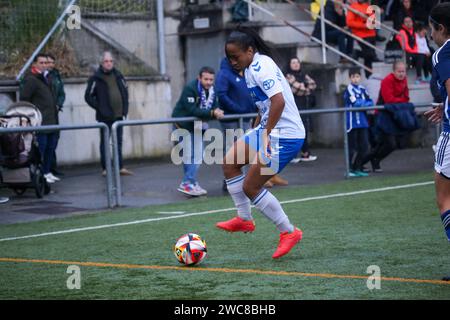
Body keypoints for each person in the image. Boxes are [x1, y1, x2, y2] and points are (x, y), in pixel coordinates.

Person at [216, 28, 305, 259]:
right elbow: (265, 106)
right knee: (230, 163)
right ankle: (244, 219)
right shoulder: (249, 68)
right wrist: (256, 129)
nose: (233, 62)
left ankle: (289, 231)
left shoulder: (260, 66)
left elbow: (278, 102)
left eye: (236, 56)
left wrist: (263, 136)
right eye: (229, 58)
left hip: (286, 136)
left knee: (251, 186)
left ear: (250, 51)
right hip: (269, 130)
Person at [215, 57, 288, 189]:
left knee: (255, 146)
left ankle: (263, 176)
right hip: (231, 118)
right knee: (234, 150)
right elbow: (222, 95)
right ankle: (231, 181)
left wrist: (253, 109)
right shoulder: (225, 74)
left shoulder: (245, 72)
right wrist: (238, 109)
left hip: (246, 116)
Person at [424, 2, 450, 282]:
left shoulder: (443, 53)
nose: (430, 34)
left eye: (431, 28)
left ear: (441, 28)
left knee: (444, 198)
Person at [171, 66, 224, 196]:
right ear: (199, 78)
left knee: (196, 156)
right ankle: (188, 183)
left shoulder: (213, 90)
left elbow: (215, 106)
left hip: (197, 126)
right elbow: (192, 111)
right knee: (192, 156)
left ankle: (190, 183)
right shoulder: (190, 88)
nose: (209, 82)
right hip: (182, 125)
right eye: (206, 79)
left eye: (211, 79)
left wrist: (217, 111)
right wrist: (213, 113)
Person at [85, 51, 133, 177]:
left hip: (118, 116)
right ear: (102, 63)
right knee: (105, 143)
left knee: (118, 142)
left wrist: (125, 109)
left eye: (111, 61)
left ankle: (120, 167)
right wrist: (100, 108)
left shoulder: (118, 75)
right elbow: (88, 96)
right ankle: (106, 168)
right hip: (104, 117)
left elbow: (125, 91)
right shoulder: (96, 78)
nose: (109, 63)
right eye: (106, 61)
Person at [362, 61, 416, 172]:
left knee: (388, 144)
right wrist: (400, 102)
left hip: (394, 114)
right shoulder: (387, 80)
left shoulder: (404, 80)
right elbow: (389, 100)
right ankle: (359, 164)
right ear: (393, 71)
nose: (401, 74)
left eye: (403, 71)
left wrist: (399, 102)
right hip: (382, 115)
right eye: (399, 71)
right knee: (388, 143)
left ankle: (371, 162)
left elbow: (406, 98)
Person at [20, 53, 60, 184]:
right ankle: (41, 174)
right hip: (40, 122)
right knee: (41, 150)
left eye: (46, 63)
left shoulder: (47, 77)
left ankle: (47, 172)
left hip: (52, 120)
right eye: (41, 63)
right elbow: (24, 99)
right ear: (35, 64)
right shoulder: (31, 79)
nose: (44, 65)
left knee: (50, 148)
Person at [284, 57, 318, 162]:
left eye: (297, 62)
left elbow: (313, 84)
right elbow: (297, 89)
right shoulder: (287, 76)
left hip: (304, 106)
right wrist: (305, 87)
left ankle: (305, 153)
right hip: (293, 108)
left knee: (304, 130)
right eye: (293, 62)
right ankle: (292, 155)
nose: (295, 64)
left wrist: (304, 87)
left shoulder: (304, 74)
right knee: (293, 131)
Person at [343, 68, 373, 177]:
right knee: (352, 148)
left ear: (360, 77)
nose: (355, 79)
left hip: (363, 122)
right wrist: (363, 103)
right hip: (352, 123)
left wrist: (362, 103)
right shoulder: (349, 89)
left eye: (357, 77)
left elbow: (371, 102)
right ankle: (349, 169)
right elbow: (355, 103)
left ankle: (357, 167)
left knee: (365, 147)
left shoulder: (362, 89)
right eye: (353, 77)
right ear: (350, 78)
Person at [346, 0, 378, 78]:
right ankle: (357, 53)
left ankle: (369, 77)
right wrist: (364, 25)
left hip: (371, 34)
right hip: (360, 35)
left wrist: (368, 24)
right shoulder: (353, 6)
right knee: (369, 55)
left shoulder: (369, 6)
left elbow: (373, 22)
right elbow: (349, 22)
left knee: (369, 58)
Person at [46, 53, 65, 177]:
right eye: (48, 62)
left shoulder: (56, 76)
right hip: (45, 113)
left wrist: (59, 104)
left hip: (55, 112)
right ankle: (47, 169)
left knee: (54, 139)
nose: (50, 65)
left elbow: (62, 93)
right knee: (46, 141)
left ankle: (52, 167)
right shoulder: (42, 77)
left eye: (52, 62)